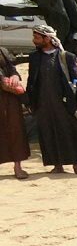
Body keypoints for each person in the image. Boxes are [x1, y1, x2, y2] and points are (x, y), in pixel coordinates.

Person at [27, 25, 77, 173]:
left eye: (37, 37)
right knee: (48, 132)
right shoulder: (34, 57)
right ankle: (57, 165)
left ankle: (76, 164)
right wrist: (29, 101)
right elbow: (31, 80)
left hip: (64, 102)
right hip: (43, 102)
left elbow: (76, 79)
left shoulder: (66, 57)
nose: (34, 40)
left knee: (69, 131)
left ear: (47, 38)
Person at [0, 46, 30, 179]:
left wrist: (14, 76)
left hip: (9, 97)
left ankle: (18, 167)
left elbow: (11, 68)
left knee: (15, 130)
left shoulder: (2, 51)